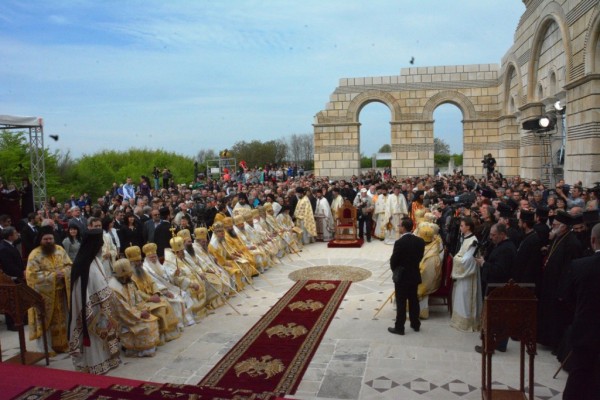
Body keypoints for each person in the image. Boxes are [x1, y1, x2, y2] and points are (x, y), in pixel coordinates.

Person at [68, 228, 120, 374]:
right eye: (99, 245)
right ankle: (94, 364)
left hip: (102, 307)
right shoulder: (81, 264)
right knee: (94, 339)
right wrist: (89, 308)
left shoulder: (95, 259)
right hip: (90, 309)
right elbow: (80, 291)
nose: (101, 248)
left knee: (104, 336)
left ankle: (108, 360)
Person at [562, 223, 600, 400]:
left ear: (593, 240)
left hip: (585, 330)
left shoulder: (580, 266)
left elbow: (567, 298)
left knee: (578, 378)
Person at [537, 210, 582, 351]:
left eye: (555, 225)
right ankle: (547, 339)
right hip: (550, 283)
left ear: (563, 227)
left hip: (559, 287)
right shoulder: (558, 237)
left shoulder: (572, 243)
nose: (553, 227)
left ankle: (556, 343)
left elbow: (568, 270)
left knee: (557, 316)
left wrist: (563, 291)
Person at [25, 225, 73, 353]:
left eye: (50, 239)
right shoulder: (35, 254)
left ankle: (63, 344)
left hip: (61, 292)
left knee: (63, 320)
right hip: (44, 296)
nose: (48, 241)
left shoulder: (60, 250)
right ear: (40, 239)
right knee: (47, 321)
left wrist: (64, 273)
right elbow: (31, 276)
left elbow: (69, 265)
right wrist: (52, 276)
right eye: (45, 239)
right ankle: (47, 348)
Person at [124, 245, 181, 344]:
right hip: (143, 301)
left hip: (153, 296)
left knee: (166, 303)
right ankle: (161, 336)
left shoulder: (143, 271)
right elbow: (136, 292)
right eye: (136, 262)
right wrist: (150, 298)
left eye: (139, 261)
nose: (139, 263)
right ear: (131, 263)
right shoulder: (130, 276)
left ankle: (169, 333)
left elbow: (152, 283)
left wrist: (156, 293)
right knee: (161, 308)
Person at [474, 223, 517, 353]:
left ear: (502, 235)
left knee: (495, 317)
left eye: (493, 235)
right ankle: (498, 344)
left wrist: (483, 263)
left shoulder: (506, 249)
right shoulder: (500, 245)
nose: (491, 238)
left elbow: (499, 270)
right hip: (496, 287)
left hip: (498, 287)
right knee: (498, 317)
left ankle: (491, 345)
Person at [108, 259, 160, 357]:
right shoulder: (114, 289)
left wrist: (144, 309)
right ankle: (133, 349)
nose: (131, 276)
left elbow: (137, 298)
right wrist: (140, 314)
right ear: (122, 275)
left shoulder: (127, 282)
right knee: (146, 327)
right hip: (125, 320)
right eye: (128, 274)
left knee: (153, 320)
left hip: (134, 314)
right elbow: (122, 310)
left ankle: (147, 347)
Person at [388, 217, 425, 335]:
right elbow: (420, 257)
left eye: (399, 226)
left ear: (403, 228)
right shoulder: (420, 241)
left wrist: (396, 270)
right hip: (414, 274)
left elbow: (394, 261)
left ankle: (399, 327)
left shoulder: (399, 242)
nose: (399, 227)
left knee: (401, 302)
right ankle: (415, 324)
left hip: (402, 276)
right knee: (414, 300)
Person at [450, 216, 482, 332]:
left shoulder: (473, 241)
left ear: (468, 227)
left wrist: (455, 259)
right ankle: (459, 321)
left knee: (465, 297)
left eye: (462, 226)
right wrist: (458, 257)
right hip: (463, 275)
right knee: (460, 297)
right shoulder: (466, 238)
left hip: (468, 275)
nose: (460, 228)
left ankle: (467, 322)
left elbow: (466, 260)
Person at [415, 224, 443, 319]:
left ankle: (419, 312)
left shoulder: (431, 253)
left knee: (419, 287)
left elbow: (426, 270)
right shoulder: (435, 244)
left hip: (427, 277)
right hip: (427, 274)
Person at [0, 226, 25, 330]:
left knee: (16, 300)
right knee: (10, 302)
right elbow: (9, 265)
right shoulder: (4, 248)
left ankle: (19, 320)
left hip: (16, 276)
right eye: (15, 233)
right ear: (10, 236)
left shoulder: (9, 245)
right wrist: (21, 273)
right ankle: (12, 324)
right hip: (10, 279)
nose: (17, 234)